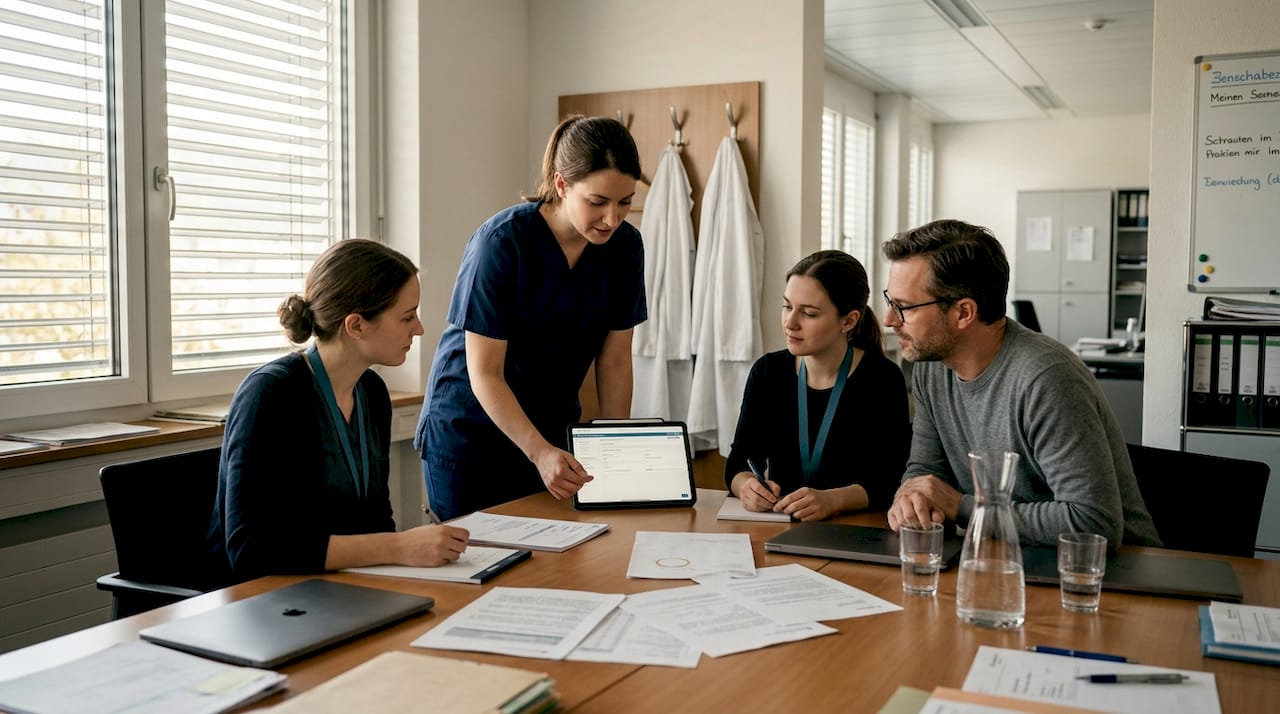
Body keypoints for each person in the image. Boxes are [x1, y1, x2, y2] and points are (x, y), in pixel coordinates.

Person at [415, 115, 647, 521]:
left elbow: (614, 360)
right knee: (477, 568)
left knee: (553, 568)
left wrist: (612, 448)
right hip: (472, 433)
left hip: (551, 435)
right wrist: (537, 450)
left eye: (625, 202)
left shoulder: (625, 248)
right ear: (561, 185)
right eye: (597, 202)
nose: (613, 218)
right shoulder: (502, 243)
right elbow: (484, 372)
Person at [880, 219, 1160, 547]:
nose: (888, 320)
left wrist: (961, 507)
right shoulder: (930, 367)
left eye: (903, 307)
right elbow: (925, 470)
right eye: (890, 302)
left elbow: (1094, 522)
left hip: (1109, 574)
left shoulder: (1046, 378)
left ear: (963, 313)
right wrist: (910, 499)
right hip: (1002, 556)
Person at [208, 239, 470, 584]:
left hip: (343, 587)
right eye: (407, 316)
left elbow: (376, 522)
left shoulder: (371, 392)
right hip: (262, 602)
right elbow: (252, 551)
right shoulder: (270, 394)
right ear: (356, 325)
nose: (418, 329)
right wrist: (396, 548)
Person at [725, 250, 910, 521]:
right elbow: (739, 461)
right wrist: (746, 487)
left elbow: (890, 480)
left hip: (854, 528)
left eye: (808, 314)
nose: (790, 323)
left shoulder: (882, 378)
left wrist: (832, 500)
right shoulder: (768, 372)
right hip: (782, 525)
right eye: (787, 306)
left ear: (848, 321)